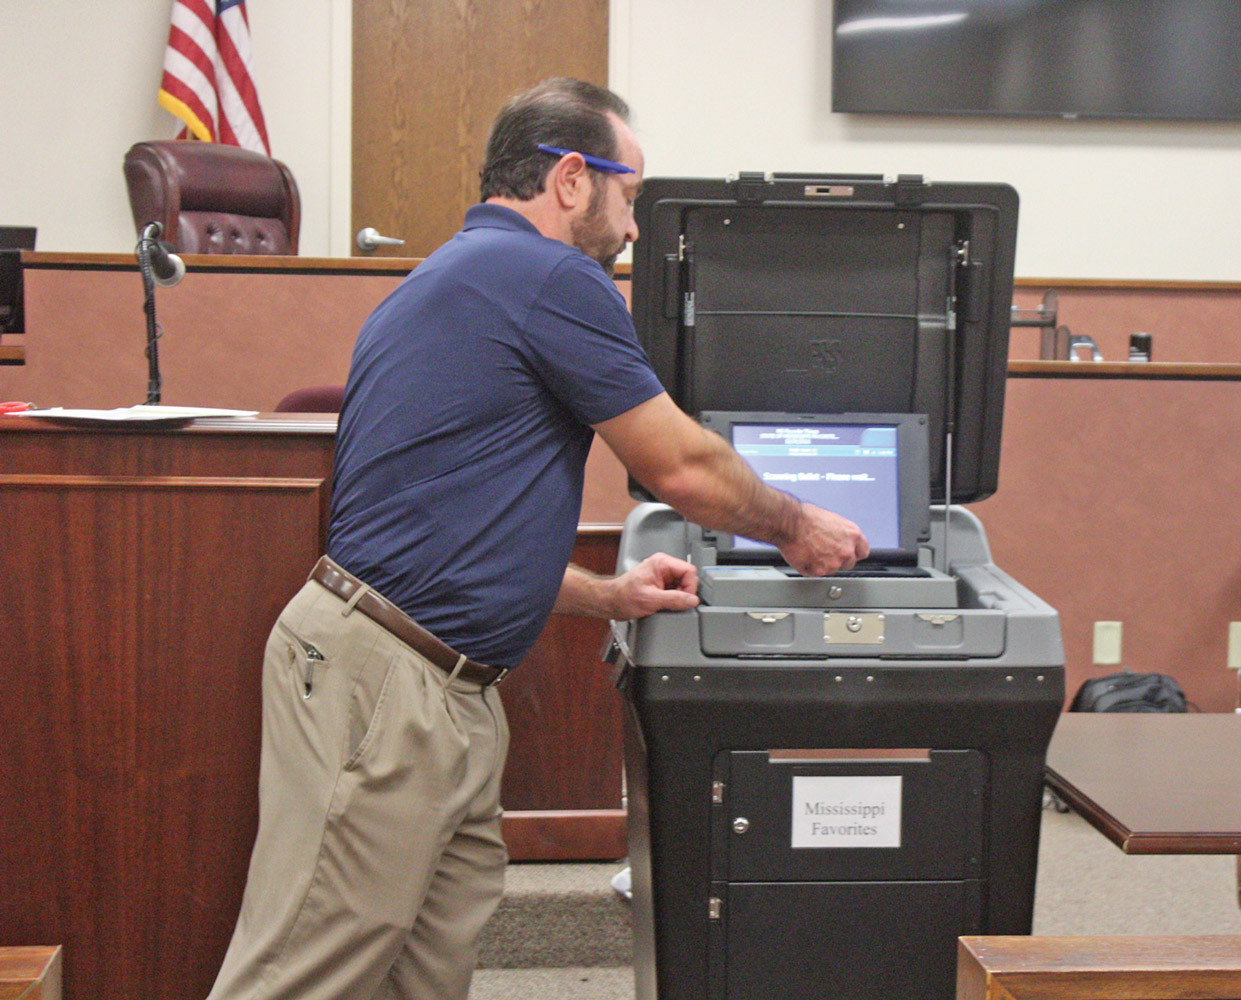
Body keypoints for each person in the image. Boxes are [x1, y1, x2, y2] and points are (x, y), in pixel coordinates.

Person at [206, 78, 868, 1000]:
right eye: (631, 194)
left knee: (419, 975)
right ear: (569, 178)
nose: (633, 227)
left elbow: (442, 532)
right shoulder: (551, 277)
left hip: (433, 681)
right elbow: (680, 468)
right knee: (302, 973)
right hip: (386, 688)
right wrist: (796, 525)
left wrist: (609, 595)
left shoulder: (449, 276)